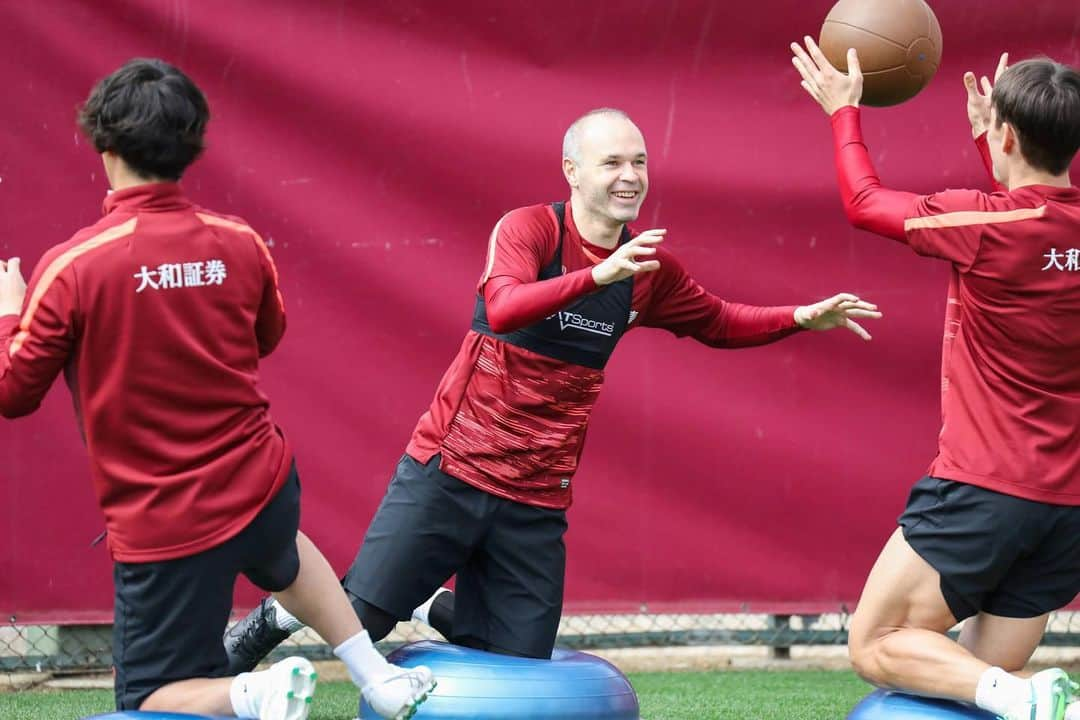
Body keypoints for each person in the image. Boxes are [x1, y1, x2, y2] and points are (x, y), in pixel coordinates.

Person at [223, 105, 883, 671]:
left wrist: (799, 317)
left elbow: (716, 320)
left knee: (516, 666)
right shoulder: (531, 229)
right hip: (451, 471)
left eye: (639, 162)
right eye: (611, 163)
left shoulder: (647, 270)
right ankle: (277, 620)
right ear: (573, 172)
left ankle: (432, 605)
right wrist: (598, 277)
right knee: (363, 622)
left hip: (536, 500)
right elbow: (504, 307)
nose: (630, 177)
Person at [0, 58, 435, 720]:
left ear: (105, 145)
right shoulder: (240, 243)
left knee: (150, 695)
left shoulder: (74, 266)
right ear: (191, 144)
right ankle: (375, 675)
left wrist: (9, 311)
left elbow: (13, 391)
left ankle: (250, 691)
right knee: (284, 557)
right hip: (262, 482)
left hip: (165, 518)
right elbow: (265, 336)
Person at [790, 37, 1080, 720]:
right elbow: (1040, 231)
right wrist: (995, 148)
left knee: (877, 642)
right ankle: (1035, 697)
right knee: (981, 673)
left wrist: (844, 110)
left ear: (1009, 133)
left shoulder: (985, 223)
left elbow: (864, 201)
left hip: (984, 487)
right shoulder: (1017, 222)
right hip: (1068, 506)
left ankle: (1036, 698)